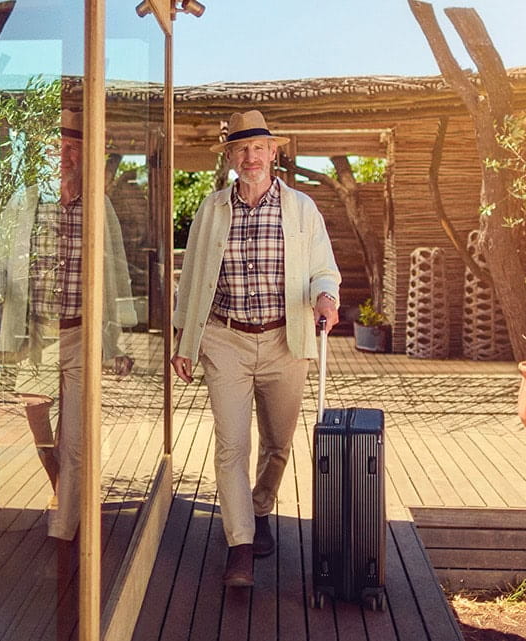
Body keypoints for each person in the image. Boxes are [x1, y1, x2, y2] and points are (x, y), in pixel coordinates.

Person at [170, 109, 341, 587]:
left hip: (287, 339)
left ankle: (261, 507)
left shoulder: (302, 208)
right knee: (231, 445)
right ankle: (239, 544)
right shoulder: (211, 209)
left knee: (278, 443)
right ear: (230, 156)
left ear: (274, 153)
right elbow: (193, 278)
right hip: (225, 338)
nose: (251, 157)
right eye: (241, 149)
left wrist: (326, 295)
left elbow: (324, 269)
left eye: (259, 148)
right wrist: (185, 338)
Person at [0, 108, 136, 544]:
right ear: (43, 154)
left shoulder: (99, 206)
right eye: (55, 148)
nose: (62, 155)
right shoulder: (24, 203)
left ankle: (63, 531)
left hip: (82, 333)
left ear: (85, 153)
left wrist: (115, 344)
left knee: (77, 438)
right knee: (41, 427)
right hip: (37, 336)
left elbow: (116, 272)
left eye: (71, 147)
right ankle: (65, 490)